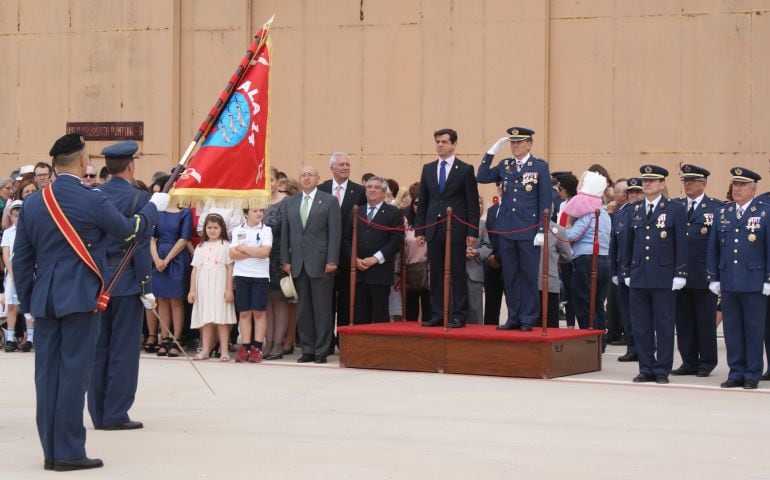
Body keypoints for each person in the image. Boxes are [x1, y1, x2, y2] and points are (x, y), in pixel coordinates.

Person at [13, 133, 166, 471]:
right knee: (73, 375)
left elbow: (21, 260)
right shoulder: (90, 199)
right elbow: (128, 231)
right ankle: (68, 452)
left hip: (45, 299)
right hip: (80, 296)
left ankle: (51, 450)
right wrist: (153, 210)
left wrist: (29, 303)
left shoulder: (36, 202)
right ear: (82, 162)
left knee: (47, 376)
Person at [88, 140, 156, 432]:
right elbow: (140, 246)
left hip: (97, 282)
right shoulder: (140, 200)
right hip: (126, 282)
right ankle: (115, 413)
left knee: (97, 348)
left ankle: (97, 411)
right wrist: (146, 284)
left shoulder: (92, 195)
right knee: (124, 351)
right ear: (131, 166)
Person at [477, 127, 550, 331]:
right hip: (507, 230)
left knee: (527, 275)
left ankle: (528, 318)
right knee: (510, 275)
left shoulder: (539, 167)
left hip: (529, 229)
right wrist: (491, 152)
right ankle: (514, 317)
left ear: (529, 144)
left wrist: (542, 231)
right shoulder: (505, 165)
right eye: (512, 142)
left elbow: (545, 200)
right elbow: (481, 176)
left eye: (519, 142)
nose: (515, 146)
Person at [622, 165, 687, 384]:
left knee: (664, 324)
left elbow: (681, 244)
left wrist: (680, 273)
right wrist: (626, 271)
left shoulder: (675, 209)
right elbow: (628, 244)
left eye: (652, 180)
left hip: (664, 275)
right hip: (639, 274)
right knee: (641, 324)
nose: (647, 183)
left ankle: (662, 369)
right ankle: (646, 367)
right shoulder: (635, 209)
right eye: (645, 180)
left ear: (662, 184)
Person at [707, 167, 770, 389]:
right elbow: (713, 247)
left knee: (753, 329)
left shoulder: (764, 212)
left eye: (742, 185)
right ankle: (736, 371)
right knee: (732, 328)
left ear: (753, 189)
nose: (737, 189)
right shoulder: (723, 213)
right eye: (735, 185)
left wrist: (768, 279)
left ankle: (752, 373)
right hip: (729, 279)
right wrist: (714, 276)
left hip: (754, 281)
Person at [415, 128, 479, 328]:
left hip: (457, 228)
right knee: (436, 273)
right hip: (434, 227)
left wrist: (472, 232)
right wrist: (420, 230)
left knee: (457, 272)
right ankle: (437, 313)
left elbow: (472, 204)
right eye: (437, 142)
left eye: (444, 142)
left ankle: (459, 314)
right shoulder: (428, 168)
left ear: (454, 144)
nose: (440, 145)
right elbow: (423, 201)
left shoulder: (465, 169)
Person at [281, 165, 341, 363]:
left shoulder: (330, 201)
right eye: (303, 175)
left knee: (322, 309)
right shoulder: (291, 201)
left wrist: (332, 260)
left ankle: (321, 350)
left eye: (310, 175)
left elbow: (335, 234)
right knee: (303, 308)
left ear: (318, 178)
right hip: (298, 262)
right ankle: (307, 349)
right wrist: (285, 259)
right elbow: (285, 234)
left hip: (322, 263)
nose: (306, 178)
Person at [671, 164, 721, 377]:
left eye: (692, 181)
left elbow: (718, 243)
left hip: (703, 275)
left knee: (705, 320)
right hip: (679, 275)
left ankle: (707, 361)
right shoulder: (675, 206)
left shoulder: (716, 208)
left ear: (704, 183)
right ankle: (688, 360)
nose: (688, 184)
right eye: (685, 180)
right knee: (683, 321)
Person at [344, 176, 404, 324]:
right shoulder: (356, 211)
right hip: (358, 272)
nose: (372, 190)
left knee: (380, 315)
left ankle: (380, 347)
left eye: (376, 187)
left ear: (384, 192)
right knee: (359, 315)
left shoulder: (393, 213)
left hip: (380, 272)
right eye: (369, 187)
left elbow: (396, 241)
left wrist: (375, 258)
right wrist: (354, 259)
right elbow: (346, 239)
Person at [318, 152, 365, 340]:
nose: (345, 167)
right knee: (325, 301)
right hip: (324, 255)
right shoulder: (321, 189)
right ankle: (326, 341)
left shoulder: (359, 191)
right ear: (332, 168)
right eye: (341, 164)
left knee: (346, 300)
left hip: (348, 254)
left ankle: (343, 340)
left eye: (347, 164)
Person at [566, 171, 612, 348]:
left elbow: (573, 234)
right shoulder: (604, 213)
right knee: (598, 303)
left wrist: (559, 229)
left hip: (586, 260)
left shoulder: (588, 212)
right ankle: (601, 340)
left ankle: (589, 339)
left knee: (583, 301)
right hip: (603, 260)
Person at [189, 214, 236, 361]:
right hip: (203, 286)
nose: (212, 230)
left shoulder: (226, 246)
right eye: (209, 227)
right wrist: (192, 290)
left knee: (221, 318)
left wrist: (229, 289)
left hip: (220, 285)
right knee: (206, 318)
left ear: (222, 229)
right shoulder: (200, 247)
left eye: (216, 227)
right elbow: (195, 269)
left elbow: (230, 268)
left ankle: (224, 351)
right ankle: (205, 350)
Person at [151, 198, 193, 357]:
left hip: (176, 259)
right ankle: (165, 338)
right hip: (158, 257)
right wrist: (156, 259)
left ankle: (176, 338)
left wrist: (167, 260)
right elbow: (151, 237)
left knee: (175, 300)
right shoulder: (157, 211)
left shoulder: (185, 212)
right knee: (161, 299)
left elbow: (184, 238)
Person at [230, 208, 272, 363]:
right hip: (242, 275)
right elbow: (233, 254)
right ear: (246, 214)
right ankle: (246, 346)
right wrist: (255, 251)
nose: (259, 213)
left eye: (261, 211)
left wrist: (245, 248)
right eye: (255, 211)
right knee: (244, 313)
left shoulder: (266, 230)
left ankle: (257, 347)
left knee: (259, 312)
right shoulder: (237, 230)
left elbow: (265, 253)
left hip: (260, 276)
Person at [610, 177, 644, 362]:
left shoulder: (647, 213)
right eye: (631, 193)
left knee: (642, 313)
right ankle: (632, 347)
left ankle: (644, 347)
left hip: (640, 270)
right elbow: (614, 243)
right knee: (627, 311)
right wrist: (614, 271)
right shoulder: (622, 213)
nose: (634, 196)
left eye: (638, 192)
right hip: (623, 270)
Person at [262, 168, 291, 360]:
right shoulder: (257, 201)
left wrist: (288, 259)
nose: (269, 183)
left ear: (277, 181)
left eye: (271, 180)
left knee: (280, 301)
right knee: (266, 302)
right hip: (260, 259)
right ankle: (268, 341)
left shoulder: (287, 201)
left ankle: (278, 343)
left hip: (280, 257)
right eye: (265, 180)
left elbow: (292, 232)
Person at [401, 194, 431, 322]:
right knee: (410, 313)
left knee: (429, 312)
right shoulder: (406, 223)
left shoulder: (434, 224)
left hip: (429, 269)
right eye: (415, 203)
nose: (418, 206)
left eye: (421, 203)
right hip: (410, 269)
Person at [2, 200, 27, 351]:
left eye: (20, 215)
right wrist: (12, 273)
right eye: (15, 215)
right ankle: (10, 338)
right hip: (12, 273)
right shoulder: (7, 232)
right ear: (11, 216)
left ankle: (29, 337)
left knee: (27, 307)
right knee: (11, 304)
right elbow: (5, 255)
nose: (17, 218)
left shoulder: (30, 231)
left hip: (27, 272)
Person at [466, 196, 492, 324]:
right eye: (476, 203)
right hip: (457, 272)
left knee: (475, 312)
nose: (479, 206)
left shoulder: (481, 224)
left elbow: (488, 246)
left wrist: (477, 252)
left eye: (481, 203)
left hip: (475, 273)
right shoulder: (457, 220)